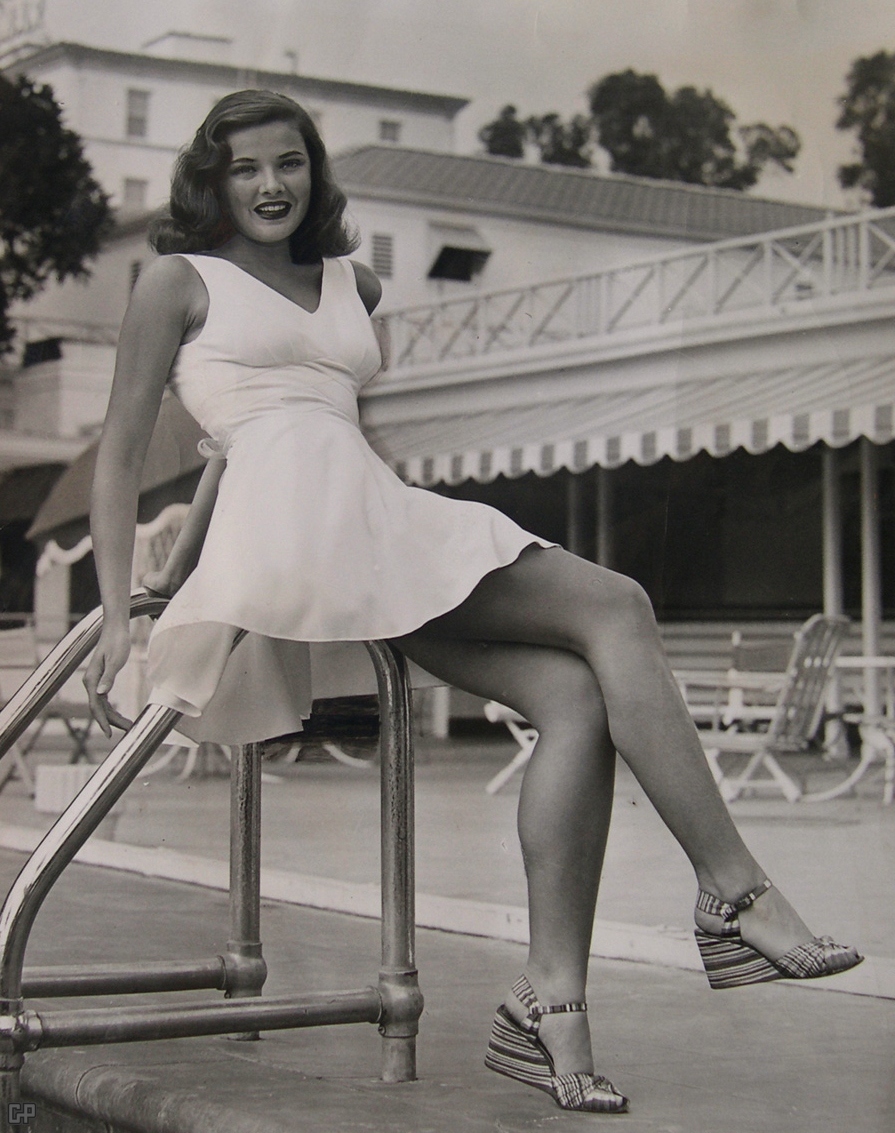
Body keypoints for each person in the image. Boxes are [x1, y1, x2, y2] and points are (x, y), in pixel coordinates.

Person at [85, 90, 862, 1116]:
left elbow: (304, 428)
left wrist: (203, 551)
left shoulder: (351, 282)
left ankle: (551, 1009)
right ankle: (733, 891)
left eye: (289, 162)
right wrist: (119, 610)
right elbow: (123, 450)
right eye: (245, 169)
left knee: (573, 697)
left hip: (362, 516)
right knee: (617, 604)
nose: (271, 185)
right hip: (300, 534)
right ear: (211, 181)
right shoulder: (177, 281)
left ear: (314, 170)